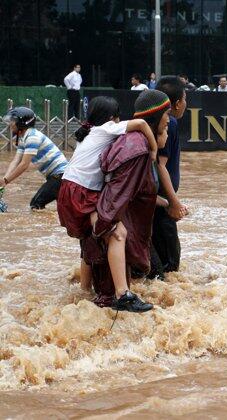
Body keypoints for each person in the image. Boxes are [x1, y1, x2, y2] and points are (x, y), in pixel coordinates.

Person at [57, 96, 159, 291]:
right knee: (117, 233)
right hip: (82, 191)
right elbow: (141, 123)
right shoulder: (107, 129)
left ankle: (85, 291)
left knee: (90, 237)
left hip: (68, 190)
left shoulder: (87, 135)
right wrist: (153, 149)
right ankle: (123, 293)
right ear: (113, 118)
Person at [84, 89, 172, 311]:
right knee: (108, 304)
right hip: (113, 235)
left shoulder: (139, 144)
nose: (169, 120)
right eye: (167, 114)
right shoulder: (136, 147)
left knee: (102, 302)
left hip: (118, 232)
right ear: (155, 116)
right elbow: (115, 195)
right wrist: (104, 230)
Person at [150, 76, 189, 279]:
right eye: (185, 99)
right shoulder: (170, 123)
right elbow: (161, 165)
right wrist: (174, 203)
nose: (186, 104)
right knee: (171, 264)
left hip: (157, 199)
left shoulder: (161, 121)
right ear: (176, 104)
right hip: (162, 201)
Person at [0, 107, 68, 209]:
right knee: (61, 209)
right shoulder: (23, 137)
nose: (10, 124)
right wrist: (4, 179)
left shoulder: (32, 137)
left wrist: (7, 181)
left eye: (13, 121)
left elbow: (23, 165)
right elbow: (16, 161)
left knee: (36, 204)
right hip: (56, 176)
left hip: (60, 175)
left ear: (21, 123)